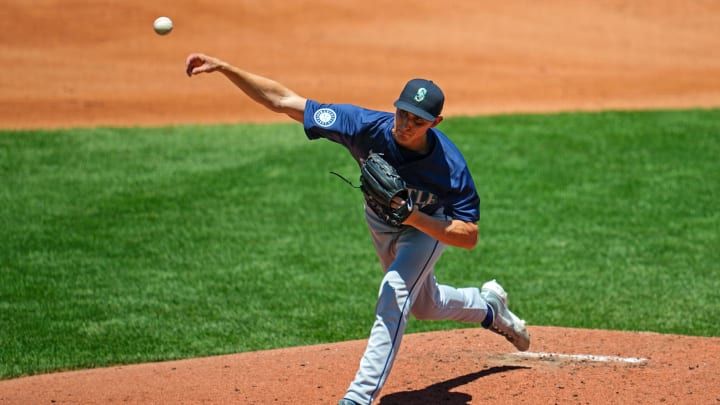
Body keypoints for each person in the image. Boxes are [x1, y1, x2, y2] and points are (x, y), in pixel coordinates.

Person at [185, 53, 530, 405]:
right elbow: (283, 100)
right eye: (403, 113)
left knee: (394, 291)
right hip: (379, 223)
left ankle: (358, 397)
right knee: (425, 304)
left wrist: (415, 219)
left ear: (435, 122)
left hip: (426, 229)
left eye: (418, 121)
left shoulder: (450, 166)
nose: (406, 124)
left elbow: (469, 236)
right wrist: (227, 68)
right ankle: (489, 308)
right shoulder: (363, 126)